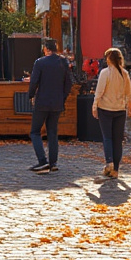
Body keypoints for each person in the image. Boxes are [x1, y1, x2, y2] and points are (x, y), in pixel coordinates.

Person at [29, 39, 73, 174]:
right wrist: (63, 97)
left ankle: (43, 161)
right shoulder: (63, 62)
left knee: (35, 131)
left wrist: (31, 95)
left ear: (46, 49)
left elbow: (34, 81)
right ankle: (53, 162)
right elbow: (68, 83)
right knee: (52, 132)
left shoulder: (40, 62)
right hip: (57, 102)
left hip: (42, 101)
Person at [91, 48, 131, 179]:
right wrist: (129, 107)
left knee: (107, 137)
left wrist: (95, 105)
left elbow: (99, 91)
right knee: (118, 140)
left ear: (109, 58)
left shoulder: (105, 73)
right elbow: (128, 93)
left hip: (105, 108)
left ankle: (109, 161)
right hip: (120, 109)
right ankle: (116, 169)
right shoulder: (124, 73)